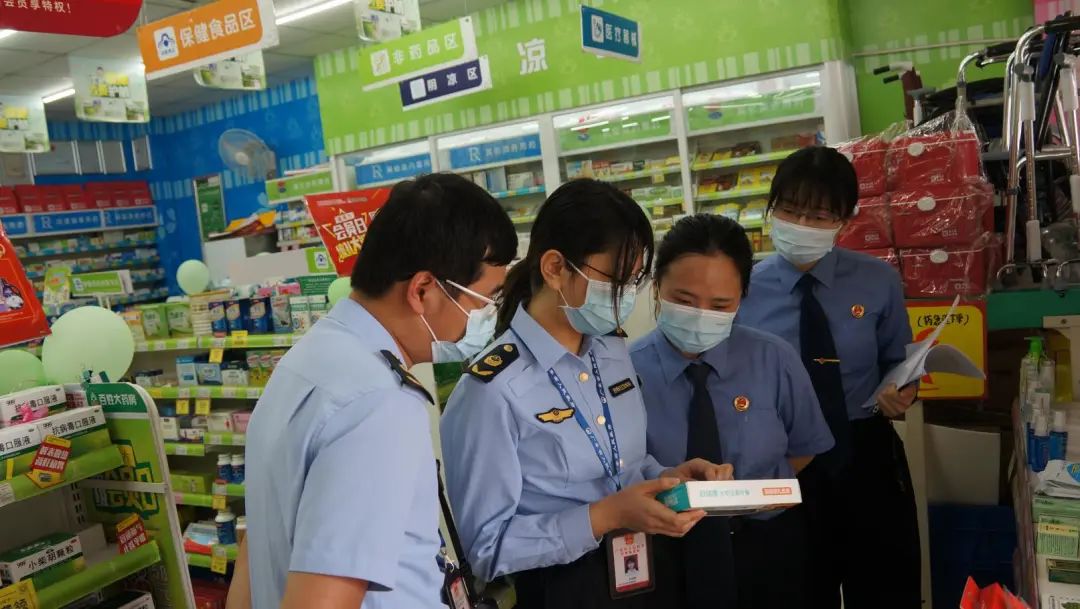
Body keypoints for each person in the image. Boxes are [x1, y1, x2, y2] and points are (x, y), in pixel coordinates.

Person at [440, 179, 731, 609]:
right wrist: (604, 517)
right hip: (559, 590)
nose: (627, 298)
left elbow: (625, 466)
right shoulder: (491, 390)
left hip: (643, 574)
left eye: (635, 282)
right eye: (616, 280)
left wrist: (669, 479)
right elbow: (485, 551)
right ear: (555, 267)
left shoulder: (611, 352)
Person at [232, 173, 517, 609]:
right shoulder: (378, 403)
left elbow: (253, 552)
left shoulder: (307, 360)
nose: (488, 318)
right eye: (484, 301)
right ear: (423, 290)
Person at [736, 146, 921, 609]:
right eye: (791, 211)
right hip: (783, 459)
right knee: (796, 589)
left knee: (884, 588)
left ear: (845, 219)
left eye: (819, 215)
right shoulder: (743, 290)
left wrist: (904, 391)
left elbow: (899, 365)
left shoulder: (877, 281)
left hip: (864, 454)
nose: (802, 225)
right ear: (771, 209)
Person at [630, 213, 835, 609]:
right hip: (667, 552)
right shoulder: (624, 371)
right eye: (683, 300)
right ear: (656, 288)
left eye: (720, 304)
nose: (701, 314)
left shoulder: (773, 358)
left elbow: (805, 445)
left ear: (742, 297)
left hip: (765, 546)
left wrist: (751, 496)